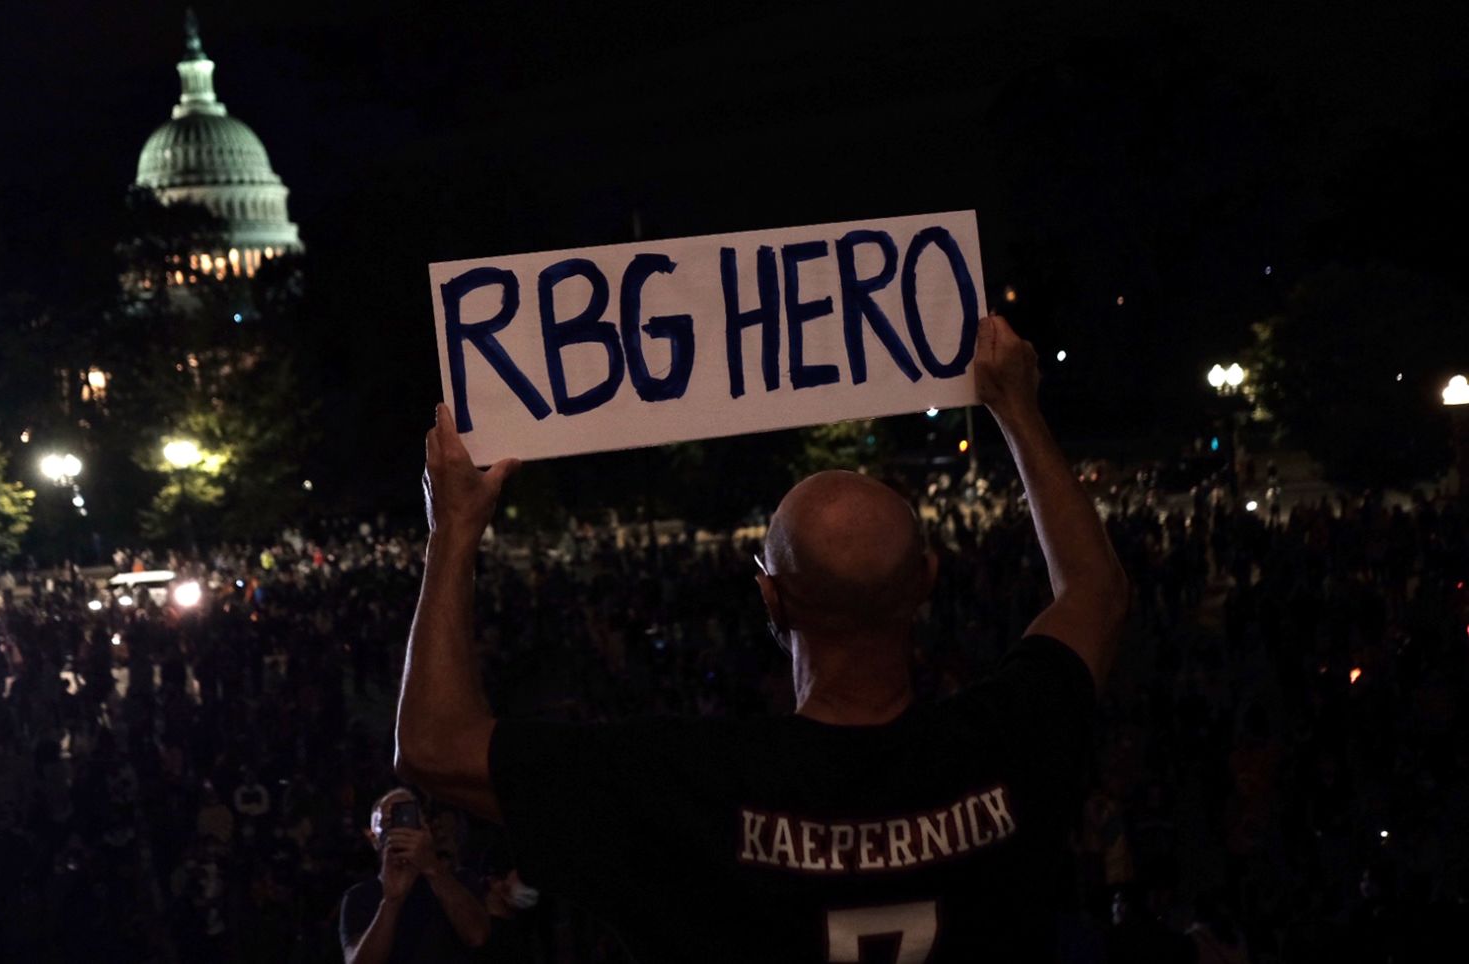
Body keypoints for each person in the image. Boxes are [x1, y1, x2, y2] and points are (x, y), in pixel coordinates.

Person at [394, 314, 1130, 961]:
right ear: (927, 581)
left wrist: (453, 533)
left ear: (770, 600)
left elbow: (431, 745)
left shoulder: (686, 788)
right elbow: (1095, 593)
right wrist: (1018, 410)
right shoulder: (1008, 745)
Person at [339, 788, 490, 964]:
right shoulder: (359, 897)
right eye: (390, 822)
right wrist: (391, 901)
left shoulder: (459, 881)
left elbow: (477, 936)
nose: (401, 830)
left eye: (409, 819)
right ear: (374, 839)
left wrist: (432, 867)